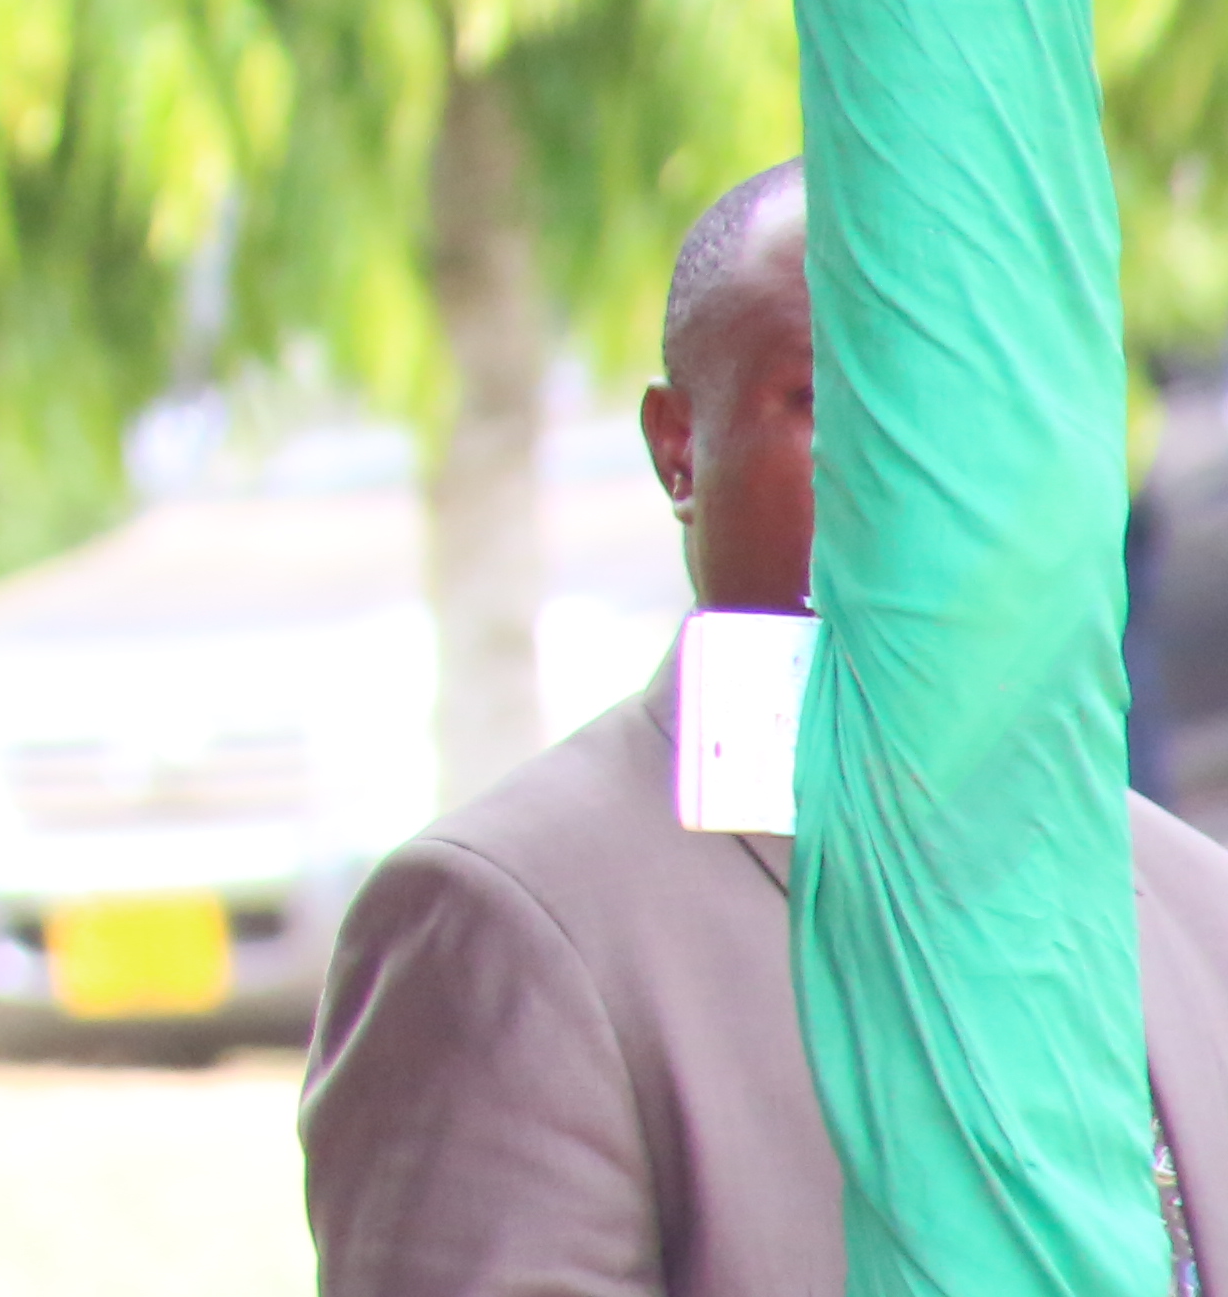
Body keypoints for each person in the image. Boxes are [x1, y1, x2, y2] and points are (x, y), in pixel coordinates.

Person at [301, 159, 1228, 1291]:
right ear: (679, 447)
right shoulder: (512, 926)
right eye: (837, 406)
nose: (926, 479)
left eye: (987, 413)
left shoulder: (1192, 904)